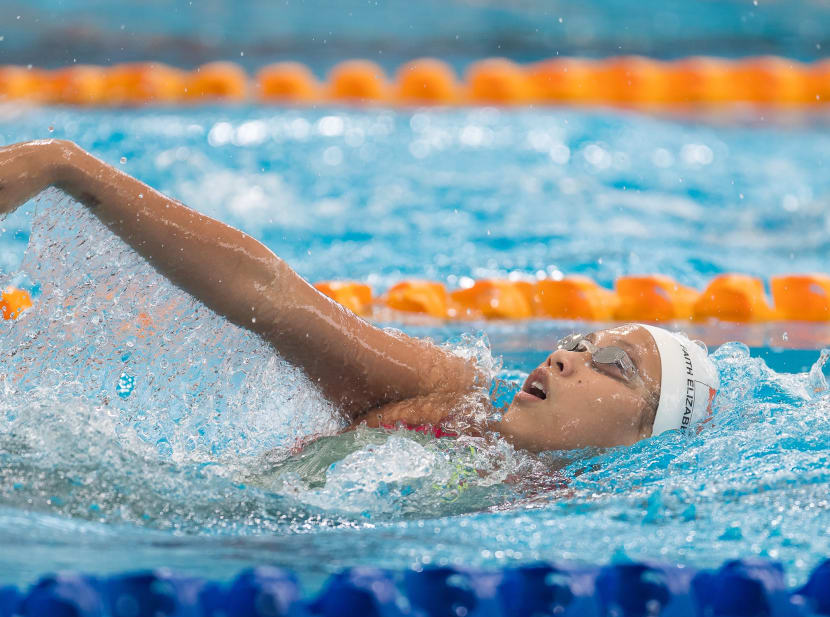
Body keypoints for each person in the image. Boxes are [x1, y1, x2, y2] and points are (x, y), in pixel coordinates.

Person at [0, 139, 719, 453]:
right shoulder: (444, 396)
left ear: (645, 437)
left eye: (612, 366)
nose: (566, 358)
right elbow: (274, 296)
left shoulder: (578, 524)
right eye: (577, 344)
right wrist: (72, 170)